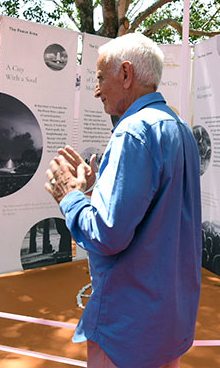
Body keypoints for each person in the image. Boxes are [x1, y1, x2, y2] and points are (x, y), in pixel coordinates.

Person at [45, 33, 202, 368]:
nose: (97, 89)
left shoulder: (134, 131)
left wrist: (69, 195)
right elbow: (153, 216)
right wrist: (93, 192)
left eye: (101, 78)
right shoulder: (179, 129)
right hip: (166, 319)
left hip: (128, 326)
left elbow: (107, 234)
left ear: (126, 74)